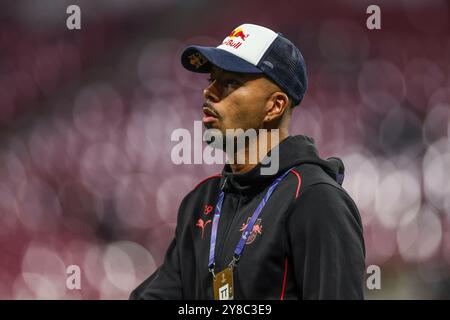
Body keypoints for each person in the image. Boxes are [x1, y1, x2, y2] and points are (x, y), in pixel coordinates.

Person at [130, 23, 365, 300]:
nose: (209, 92)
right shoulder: (201, 202)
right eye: (211, 80)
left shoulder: (314, 199)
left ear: (275, 106)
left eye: (230, 82)